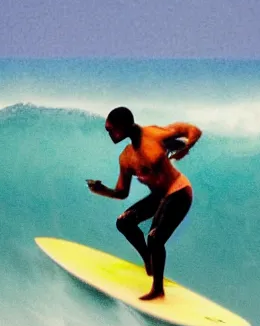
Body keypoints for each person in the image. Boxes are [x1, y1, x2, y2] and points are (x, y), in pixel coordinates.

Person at [86, 107, 202, 301]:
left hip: (178, 191)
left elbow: (193, 130)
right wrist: (102, 190)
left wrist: (187, 147)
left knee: (155, 237)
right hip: (158, 196)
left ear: (123, 126)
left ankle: (158, 289)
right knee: (123, 222)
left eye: (111, 129)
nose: (109, 134)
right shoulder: (126, 157)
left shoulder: (154, 135)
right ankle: (149, 259)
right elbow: (122, 192)